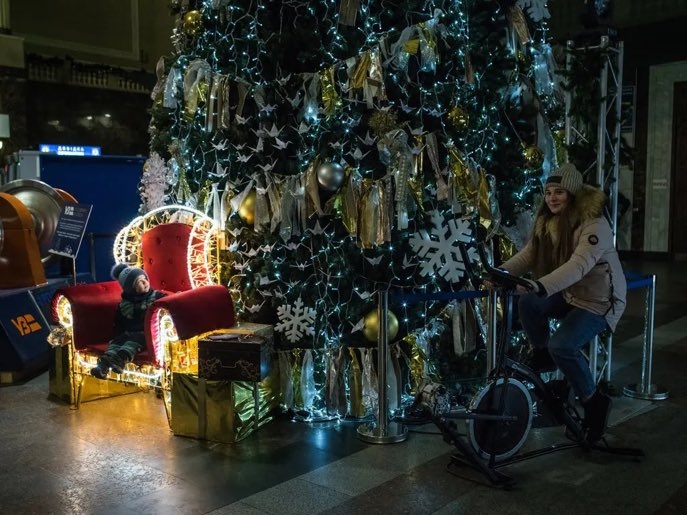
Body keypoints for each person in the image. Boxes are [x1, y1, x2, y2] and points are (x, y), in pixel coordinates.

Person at [496, 162, 626, 443]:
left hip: (599, 300)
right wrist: (501, 274)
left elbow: (578, 266)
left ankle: (594, 401)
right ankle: (542, 353)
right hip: (570, 293)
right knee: (529, 304)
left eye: (560, 192)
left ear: (574, 194)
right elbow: (528, 255)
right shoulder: (548, 222)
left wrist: (541, 284)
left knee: (563, 345)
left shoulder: (595, 224)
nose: (552, 198)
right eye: (549, 192)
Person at [90, 263, 167, 379]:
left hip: (145, 334)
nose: (145, 283)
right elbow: (119, 322)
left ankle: (120, 360)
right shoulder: (124, 304)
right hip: (127, 332)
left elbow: (167, 302)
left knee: (131, 344)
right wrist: (118, 335)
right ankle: (103, 366)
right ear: (131, 289)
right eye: (138, 282)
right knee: (115, 343)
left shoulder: (156, 296)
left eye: (144, 279)